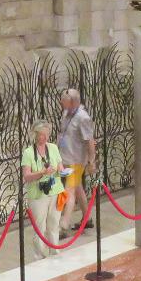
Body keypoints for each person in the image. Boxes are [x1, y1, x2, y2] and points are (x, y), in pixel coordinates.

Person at [22, 122, 66, 257]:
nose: (45, 137)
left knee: (54, 223)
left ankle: (55, 251)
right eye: (42, 135)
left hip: (55, 190)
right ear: (35, 135)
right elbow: (27, 177)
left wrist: (63, 172)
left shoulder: (53, 148)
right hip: (38, 194)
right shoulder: (28, 153)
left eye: (47, 134)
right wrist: (42, 173)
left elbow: (60, 167)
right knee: (40, 227)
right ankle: (40, 255)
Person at [56, 88, 95, 233]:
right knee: (77, 188)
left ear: (73, 102)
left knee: (69, 191)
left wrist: (91, 161)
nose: (61, 101)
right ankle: (87, 218)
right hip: (66, 157)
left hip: (77, 160)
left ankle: (63, 225)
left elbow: (89, 141)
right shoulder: (66, 113)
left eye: (64, 99)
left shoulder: (83, 117)